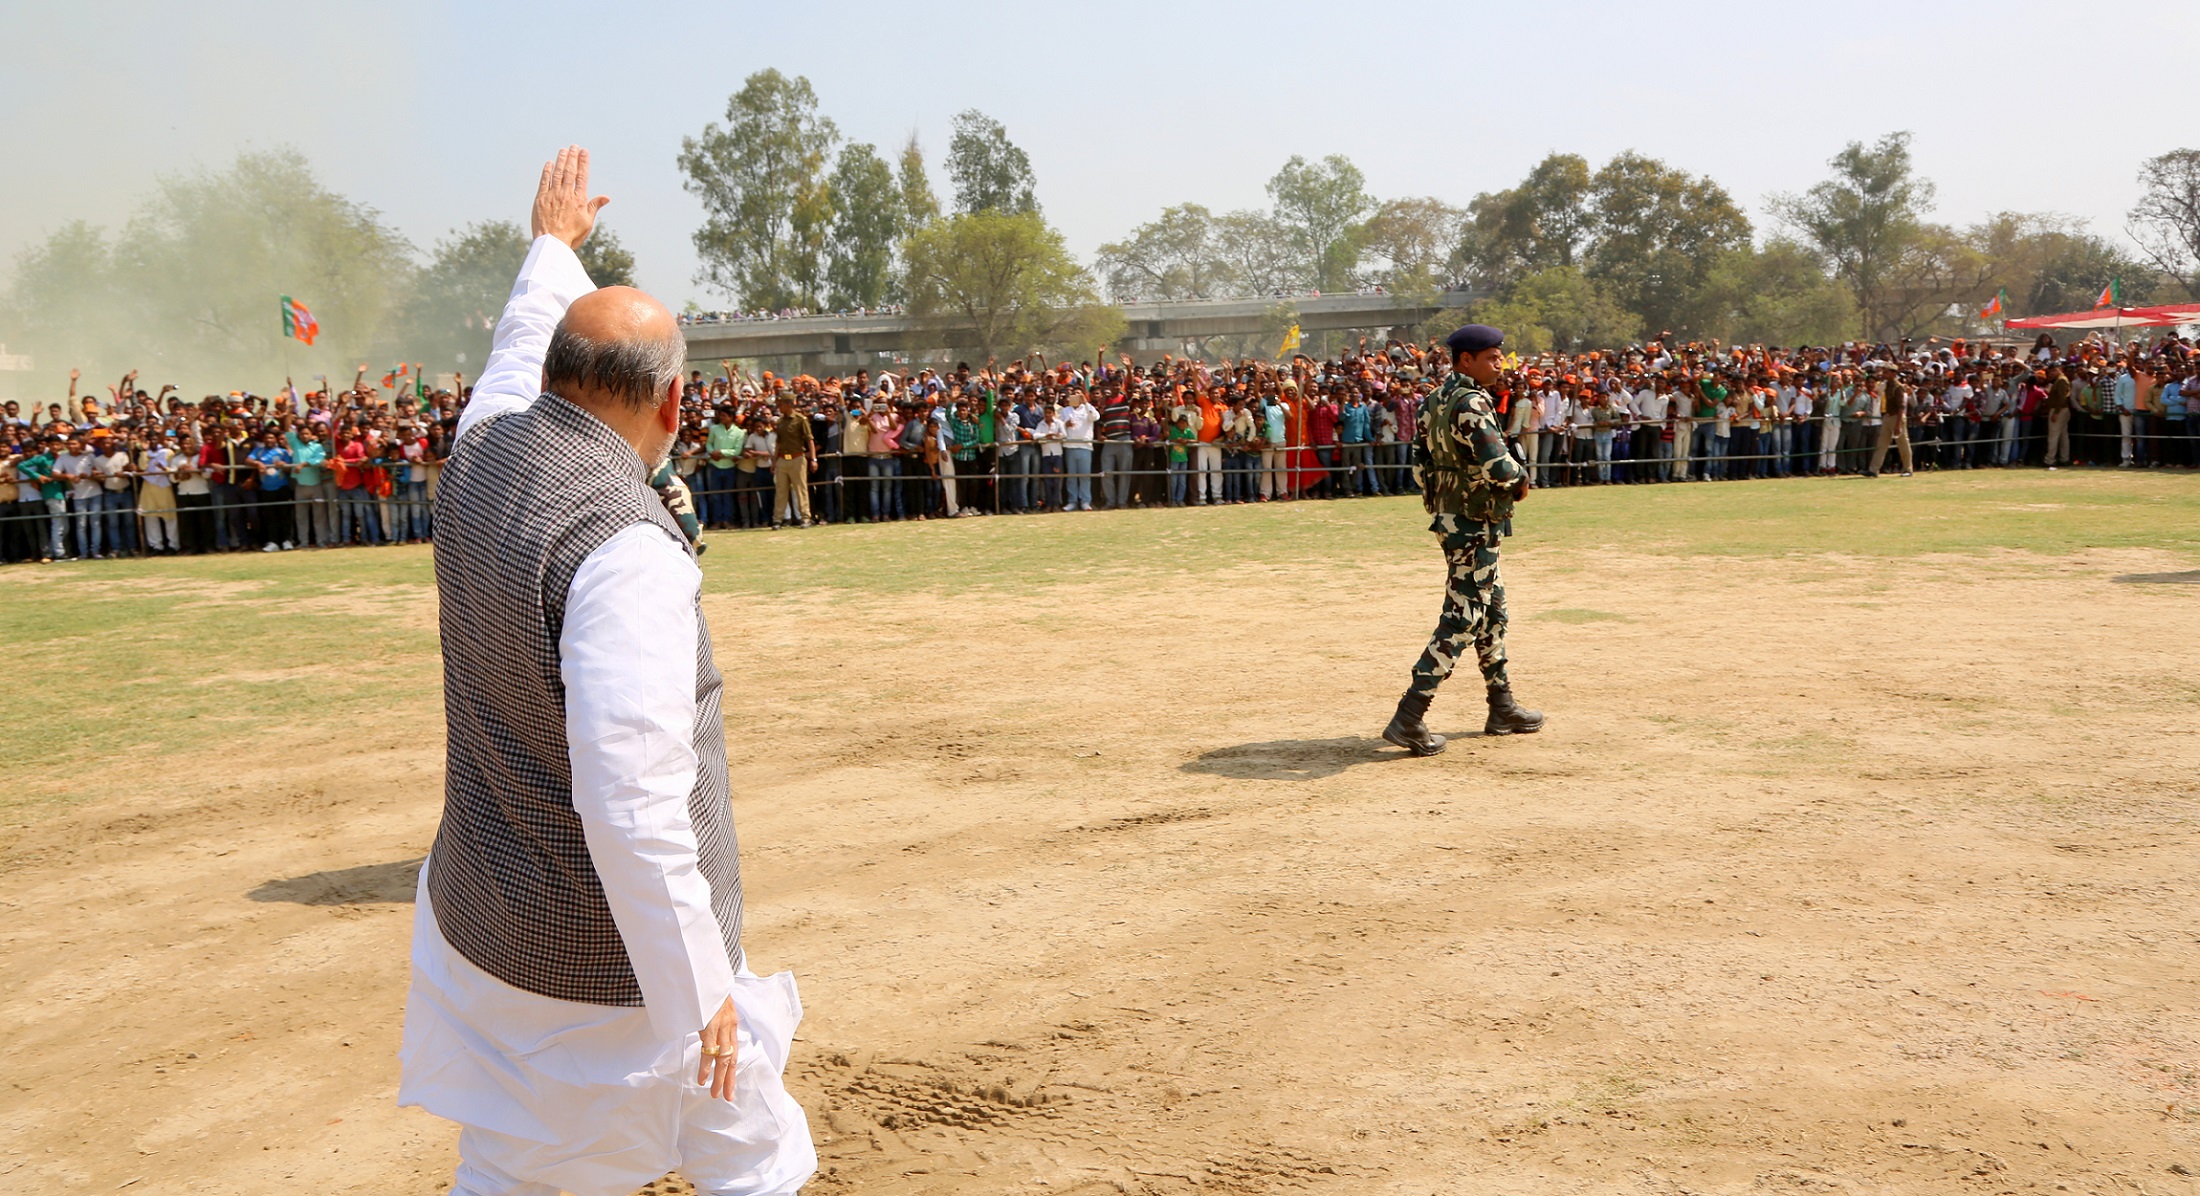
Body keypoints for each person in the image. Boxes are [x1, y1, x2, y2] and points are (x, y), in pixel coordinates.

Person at [398, 146, 813, 1196]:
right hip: (611, 978)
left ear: (546, 380)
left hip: (487, 925)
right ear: (674, 411)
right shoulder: (627, 547)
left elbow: (515, 338)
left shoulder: (484, 443)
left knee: (533, 1162)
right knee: (744, 1154)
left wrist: (552, 244)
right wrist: (699, 992)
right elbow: (632, 798)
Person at [1383, 324, 1544, 757]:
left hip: (1453, 518)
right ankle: (1410, 715)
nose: (1499, 364)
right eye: (1491, 357)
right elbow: (1497, 463)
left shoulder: (1434, 400)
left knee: (1493, 611)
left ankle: (1502, 705)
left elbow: (1419, 465)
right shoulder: (1472, 401)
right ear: (1465, 360)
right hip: (1476, 520)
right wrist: (1520, 479)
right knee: (1464, 615)